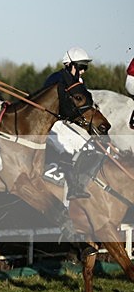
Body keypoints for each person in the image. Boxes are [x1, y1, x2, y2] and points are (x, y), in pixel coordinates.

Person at [44, 48, 102, 200]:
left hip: (67, 123)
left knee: (88, 146)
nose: (83, 71)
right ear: (69, 64)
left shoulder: (79, 82)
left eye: (85, 67)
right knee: (68, 149)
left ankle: (82, 182)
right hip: (53, 123)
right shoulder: (56, 79)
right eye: (81, 66)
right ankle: (71, 188)